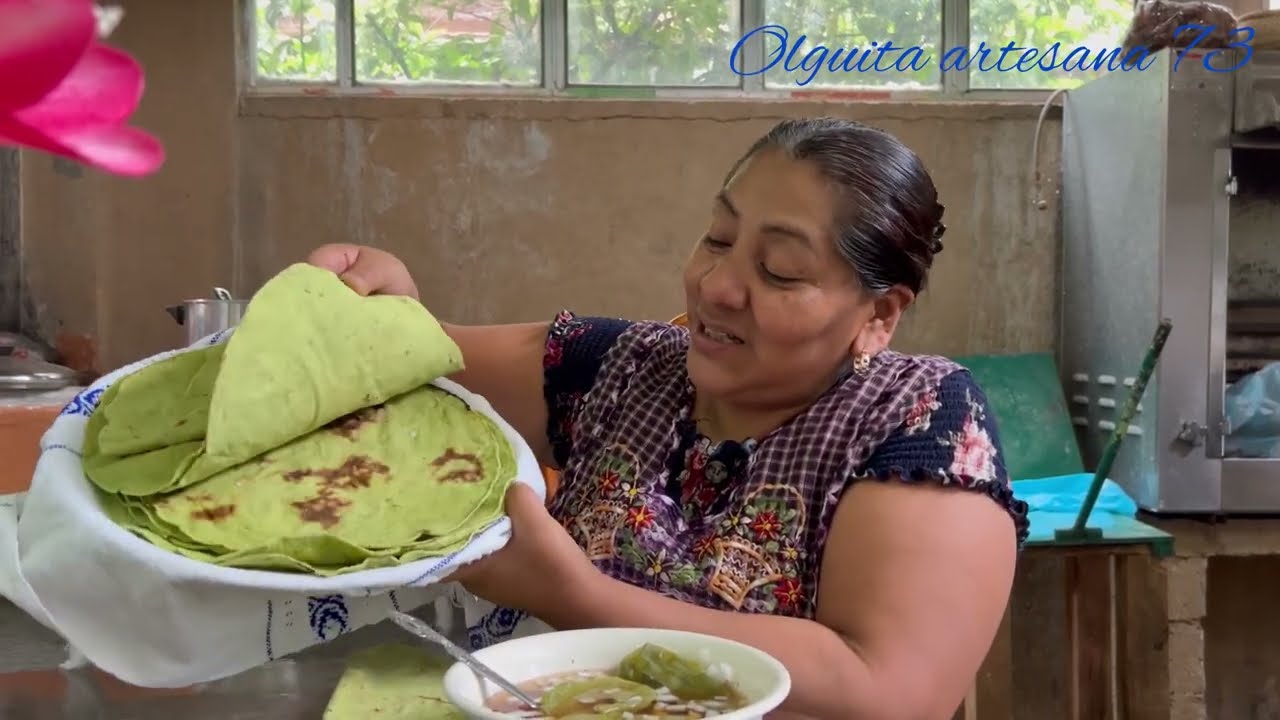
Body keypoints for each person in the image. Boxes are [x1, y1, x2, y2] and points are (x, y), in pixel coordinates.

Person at [308, 117, 1027, 720]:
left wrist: (574, 596)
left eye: (778, 271)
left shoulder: (919, 420)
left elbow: (887, 691)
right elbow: (419, 363)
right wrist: (388, 305)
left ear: (878, 314)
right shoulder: (625, 369)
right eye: (718, 238)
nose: (717, 287)